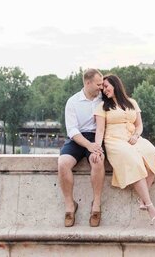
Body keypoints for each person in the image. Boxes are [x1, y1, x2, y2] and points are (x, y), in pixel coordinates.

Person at [93, 74, 155, 224]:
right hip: (114, 141)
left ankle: (142, 198)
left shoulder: (132, 102)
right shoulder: (102, 107)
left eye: (106, 86)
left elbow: (139, 125)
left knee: (153, 156)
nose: (104, 90)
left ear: (116, 85)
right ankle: (150, 205)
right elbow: (99, 130)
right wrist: (97, 148)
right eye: (102, 89)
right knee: (133, 161)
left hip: (133, 138)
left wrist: (136, 135)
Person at [57, 68, 106, 227]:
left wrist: (96, 147)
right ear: (87, 82)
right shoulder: (72, 101)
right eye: (98, 84)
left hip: (97, 136)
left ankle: (96, 204)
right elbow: (72, 130)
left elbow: (100, 128)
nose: (101, 87)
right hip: (78, 138)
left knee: (98, 161)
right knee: (63, 163)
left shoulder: (103, 99)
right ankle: (70, 205)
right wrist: (88, 145)